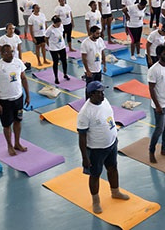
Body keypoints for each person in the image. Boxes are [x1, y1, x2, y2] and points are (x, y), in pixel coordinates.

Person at [77, 81, 129, 214]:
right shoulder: (85, 113)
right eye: (99, 92)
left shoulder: (104, 102)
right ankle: (96, 201)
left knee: (113, 168)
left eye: (103, 91)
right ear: (92, 94)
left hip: (111, 144)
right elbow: (82, 137)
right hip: (96, 150)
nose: (102, 94)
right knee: (95, 175)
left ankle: (115, 191)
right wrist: (85, 158)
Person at [0, 44, 30, 156]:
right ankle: (9, 145)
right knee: (7, 125)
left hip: (18, 98)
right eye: (7, 52)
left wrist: (27, 95)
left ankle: (17, 143)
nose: (10, 54)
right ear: (2, 54)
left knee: (18, 121)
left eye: (11, 52)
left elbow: (23, 78)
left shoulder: (18, 63)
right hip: (4, 101)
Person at [45, 16, 69, 84]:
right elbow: (46, 38)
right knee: (55, 62)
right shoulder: (50, 30)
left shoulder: (61, 26)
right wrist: (49, 46)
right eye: (57, 23)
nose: (58, 24)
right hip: (54, 48)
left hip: (61, 46)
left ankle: (65, 74)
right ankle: (56, 77)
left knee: (64, 61)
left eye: (59, 22)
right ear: (54, 23)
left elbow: (62, 34)